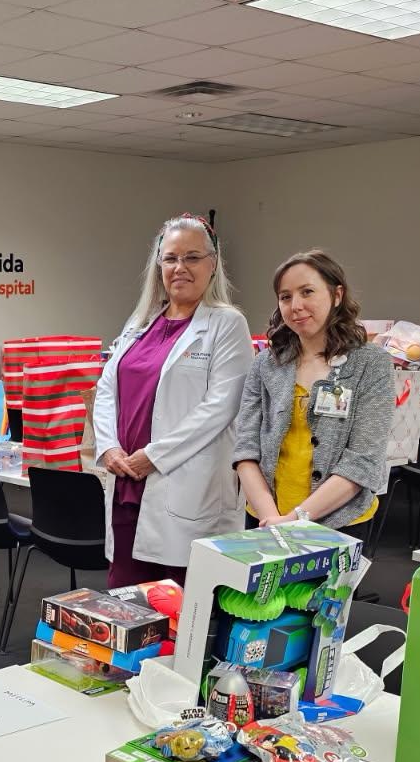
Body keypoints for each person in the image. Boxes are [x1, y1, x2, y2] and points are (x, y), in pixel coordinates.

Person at [92, 213, 253, 587]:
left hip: (184, 485)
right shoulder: (141, 322)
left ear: (213, 265)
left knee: (178, 602)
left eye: (192, 257)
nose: (180, 267)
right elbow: (106, 388)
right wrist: (109, 448)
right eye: (170, 258)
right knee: (126, 598)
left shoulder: (227, 324)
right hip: (127, 480)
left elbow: (220, 408)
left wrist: (155, 456)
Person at [234, 250, 393, 529]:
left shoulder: (371, 364)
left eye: (307, 292)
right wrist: (272, 518)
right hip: (266, 517)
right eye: (285, 296)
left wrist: (294, 520)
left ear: (337, 295)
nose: (295, 305)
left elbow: (362, 461)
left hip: (339, 522)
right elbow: (245, 449)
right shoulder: (265, 365)